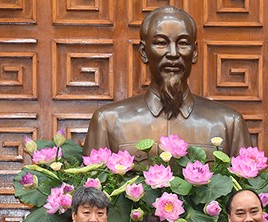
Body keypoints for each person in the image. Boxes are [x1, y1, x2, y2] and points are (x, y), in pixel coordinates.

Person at [83, 5, 251, 161]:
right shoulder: (108, 121)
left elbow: (246, 191)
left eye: (183, 43)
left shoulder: (228, 123)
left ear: (194, 53)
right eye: (161, 43)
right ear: (143, 52)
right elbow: (91, 190)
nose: (173, 53)